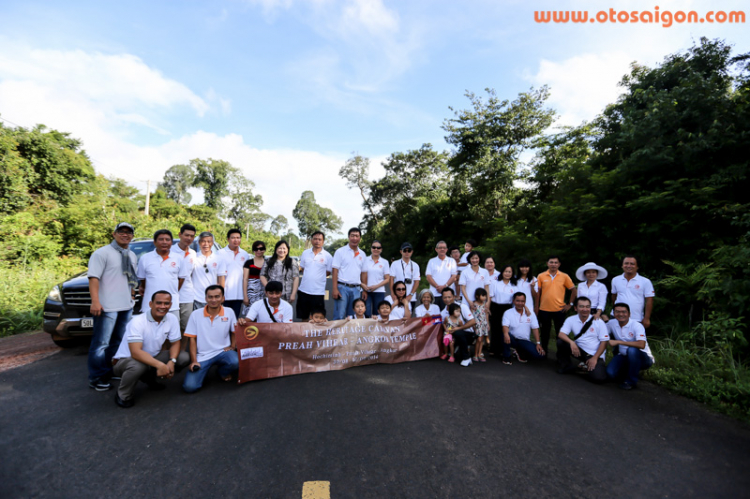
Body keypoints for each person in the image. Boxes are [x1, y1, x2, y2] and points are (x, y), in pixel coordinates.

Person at [111, 291, 190, 408]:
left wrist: (171, 361)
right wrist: (160, 365)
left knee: (183, 357)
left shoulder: (171, 318)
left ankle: (149, 379)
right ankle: (123, 394)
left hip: (151, 357)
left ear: (170, 305)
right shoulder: (137, 322)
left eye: (166, 303)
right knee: (138, 366)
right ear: (150, 304)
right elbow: (136, 352)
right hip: (126, 361)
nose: (162, 306)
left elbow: (175, 343)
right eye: (159, 303)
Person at [87, 222, 138, 391]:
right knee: (101, 343)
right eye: (121, 232)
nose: (125, 235)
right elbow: (93, 278)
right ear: (113, 234)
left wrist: (132, 295)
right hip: (107, 306)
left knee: (117, 341)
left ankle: (109, 371)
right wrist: (95, 301)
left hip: (125, 306)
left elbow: (131, 278)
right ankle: (96, 377)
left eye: (129, 232)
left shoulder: (131, 255)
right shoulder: (102, 253)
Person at [182, 285, 239, 393]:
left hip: (223, 351)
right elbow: (192, 339)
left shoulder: (229, 311)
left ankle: (222, 372)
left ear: (223, 298)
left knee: (236, 361)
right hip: (203, 355)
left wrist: (232, 346)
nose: (213, 300)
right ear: (205, 298)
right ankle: (204, 371)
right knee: (189, 387)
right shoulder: (195, 315)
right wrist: (194, 361)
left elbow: (234, 331)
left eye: (217, 296)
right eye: (210, 297)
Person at [137, 229, 188, 319]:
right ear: (155, 242)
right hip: (150, 305)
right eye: (161, 239)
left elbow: (181, 279)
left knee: (172, 331)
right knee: (149, 331)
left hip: (172, 306)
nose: (164, 242)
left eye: (167, 240)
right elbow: (143, 280)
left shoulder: (179, 258)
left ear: (171, 242)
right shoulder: (145, 258)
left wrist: (172, 291)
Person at [556, 297, 609, 383]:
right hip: (579, 350)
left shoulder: (598, 321)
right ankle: (567, 366)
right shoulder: (571, 319)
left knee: (599, 378)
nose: (585, 309)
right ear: (576, 308)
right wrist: (572, 342)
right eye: (581, 306)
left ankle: (589, 367)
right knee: (561, 342)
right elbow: (561, 334)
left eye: (587, 307)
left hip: (594, 354)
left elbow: (604, 342)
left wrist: (595, 358)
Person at [606, 302, 655, 390]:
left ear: (629, 314)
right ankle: (628, 372)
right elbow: (601, 335)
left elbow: (641, 344)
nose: (621, 314)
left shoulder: (637, 325)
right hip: (623, 356)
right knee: (610, 373)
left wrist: (618, 342)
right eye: (617, 312)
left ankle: (631, 381)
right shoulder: (611, 323)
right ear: (613, 313)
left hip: (643, 358)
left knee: (632, 350)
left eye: (624, 312)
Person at [535, 255, 576, 353]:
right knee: (544, 333)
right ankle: (543, 353)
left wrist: (570, 304)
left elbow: (574, 290)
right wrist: (536, 306)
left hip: (559, 309)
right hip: (544, 309)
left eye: (555, 262)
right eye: (551, 262)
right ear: (547, 263)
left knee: (560, 333)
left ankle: (561, 356)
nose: (553, 264)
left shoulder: (564, 276)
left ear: (559, 264)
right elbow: (538, 293)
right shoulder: (541, 276)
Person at [501, 292, 546, 365]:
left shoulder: (530, 313)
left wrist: (538, 343)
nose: (520, 303)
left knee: (540, 356)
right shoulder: (508, 312)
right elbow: (505, 326)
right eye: (517, 301)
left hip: (524, 340)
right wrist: (506, 334)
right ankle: (506, 357)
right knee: (504, 334)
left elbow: (535, 328)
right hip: (512, 339)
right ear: (513, 301)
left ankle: (520, 351)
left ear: (525, 302)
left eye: (522, 301)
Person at [332, 228, 366, 320]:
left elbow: (363, 273)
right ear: (348, 237)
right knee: (339, 315)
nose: (354, 238)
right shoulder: (340, 251)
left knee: (353, 317)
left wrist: (365, 290)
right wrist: (335, 289)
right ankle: (337, 335)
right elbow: (335, 271)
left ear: (360, 238)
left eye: (357, 236)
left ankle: (351, 335)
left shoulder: (362, 254)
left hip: (356, 289)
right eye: (352, 236)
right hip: (342, 288)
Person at [297, 231, 332, 321]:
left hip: (318, 292)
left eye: (319, 239)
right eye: (315, 239)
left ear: (323, 241)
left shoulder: (327, 256)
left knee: (318, 319)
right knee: (304, 317)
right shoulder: (305, 253)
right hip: (303, 290)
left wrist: (317, 277)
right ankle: (303, 335)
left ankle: (315, 335)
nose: (317, 241)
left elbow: (328, 272)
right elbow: (303, 268)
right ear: (311, 240)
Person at [611, 256, 655, 328]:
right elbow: (614, 297)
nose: (629, 266)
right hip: (616, 317)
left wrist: (647, 318)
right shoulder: (615, 280)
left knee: (635, 339)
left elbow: (649, 300)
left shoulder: (645, 281)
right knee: (613, 338)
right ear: (622, 266)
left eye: (632, 264)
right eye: (626, 263)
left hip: (636, 318)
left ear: (637, 267)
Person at [171, 224, 198, 339]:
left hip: (187, 296)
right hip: (171, 296)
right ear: (180, 235)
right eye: (186, 235)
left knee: (186, 328)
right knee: (171, 327)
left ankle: (182, 352)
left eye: (192, 236)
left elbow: (192, 274)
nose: (189, 238)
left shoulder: (193, 253)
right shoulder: (170, 251)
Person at [440, 287, 477, 367]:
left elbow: (473, 321)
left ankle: (466, 357)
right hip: (451, 334)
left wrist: (459, 328)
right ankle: (449, 352)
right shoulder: (443, 312)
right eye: (445, 297)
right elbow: (443, 324)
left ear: (454, 297)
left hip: (467, 333)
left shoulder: (462, 307)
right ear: (442, 298)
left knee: (458, 332)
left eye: (449, 297)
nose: (447, 299)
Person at [218, 228, 250, 318]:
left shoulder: (245, 254)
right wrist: (220, 294)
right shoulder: (220, 253)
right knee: (223, 319)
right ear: (228, 239)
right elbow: (218, 276)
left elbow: (246, 276)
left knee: (234, 320)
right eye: (233, 238)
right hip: (225, 295)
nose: (236, 240)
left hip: (238, 295)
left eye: (238, 238)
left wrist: (245, 295)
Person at [488, 263, 518, 357]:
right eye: (506, 271)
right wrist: (488, 308)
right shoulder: (495, 283)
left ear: (512, 273)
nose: (507, 273)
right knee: (495, 328)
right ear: (502, 272)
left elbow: (515, 300)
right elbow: (490, 296)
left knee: (504, 329)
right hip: (495, 307)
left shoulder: (514, 285)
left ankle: (503, 350)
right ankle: (493, 349)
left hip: (507, 308)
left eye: (509, 272)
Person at [192, 232, 225, 310]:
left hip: (212, 298)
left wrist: (220, 296)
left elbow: (221, 279)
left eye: (209, 241)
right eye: (203, 241)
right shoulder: (194, 257)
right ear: (199, 242)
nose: (206, 244)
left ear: (212, 243)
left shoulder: (219, 259)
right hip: (196, 298)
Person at [425, 241, 458, 310]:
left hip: (448, 295)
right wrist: (437, 287)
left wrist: (444, 287)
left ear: (446, 250)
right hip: (434, 293)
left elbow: (454, 276)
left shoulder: (451, 261)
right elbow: (428, 277)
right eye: (440, 248)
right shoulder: (431, 261)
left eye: (444, 248)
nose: (442, 249)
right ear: (436, 249)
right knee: (434, 316)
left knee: (448, 315)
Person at [361, 239, 389, 318]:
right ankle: (366, 330)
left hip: (379, 291)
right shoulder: (364, 260)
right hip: (366, 290)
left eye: (378, 248)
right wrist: (364, 288)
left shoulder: (384, 262)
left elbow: (387, 279)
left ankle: (376, 330)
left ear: (381, 249)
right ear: (371, 248)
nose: (376, 249)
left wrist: (376, 286)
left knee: (377, 314)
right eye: (374, 247)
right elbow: (360, 275)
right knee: (366, 313)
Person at [389, 242, 421, 312]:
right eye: (405, 250)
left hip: (410, 297)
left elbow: (417, 282)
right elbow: (391, 279)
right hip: (397, 296)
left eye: (409, 250)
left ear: (412, 252)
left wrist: (411, 295)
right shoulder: (395, 264)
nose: (407, 252)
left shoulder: (415, 265)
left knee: (408, 318)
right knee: (396, 316)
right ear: (401, 251)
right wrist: (393, 293)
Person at [242, 240, 267, 315]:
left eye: (261, 249)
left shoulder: (268, 263)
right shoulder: (248, 262)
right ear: (253, 251)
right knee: (250, 315)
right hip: (251, 293)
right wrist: (245, 296)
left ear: (264, 250)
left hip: (264, 293)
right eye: (256, 249)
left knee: (263, 315)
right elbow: (245, 279)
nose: (258, 251)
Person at [471, 288, 489, 363]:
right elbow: (472, 315)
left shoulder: (485, 304)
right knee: (478, 339)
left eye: (485, 296)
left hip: (483, 323)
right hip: (477, 323)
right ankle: (475, 354)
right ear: (477, 296)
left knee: (481, 339)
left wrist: (487, 323)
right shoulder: (474, 304)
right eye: (483, 296)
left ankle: (479, 353)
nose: (484, 297)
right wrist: (473, 324)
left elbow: (486, 314)